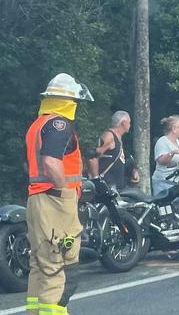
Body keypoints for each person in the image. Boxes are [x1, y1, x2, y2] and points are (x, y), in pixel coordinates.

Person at [25, 73, 94, 315]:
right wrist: (66, 192)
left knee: (41, 265)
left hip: (37, 200)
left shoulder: (38, 124)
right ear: (69, 101)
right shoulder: (59, 124)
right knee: (61, 268)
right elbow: (52, 163)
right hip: (55, 202)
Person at [87, 111, 139, 191]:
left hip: (117, 186)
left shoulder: (119, 138)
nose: (130, 125)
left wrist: (133, 170)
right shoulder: (109, 136)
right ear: (124, 123)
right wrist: (96, 180)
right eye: (129, 122)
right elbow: (93, 156)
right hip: (107, 185)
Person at [152, 115, 179, 195]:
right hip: (163, 182)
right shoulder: (162, 141)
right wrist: (172, 153)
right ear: (174, 129)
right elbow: (161, 161)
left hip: (175, 182)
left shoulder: (177, 141)